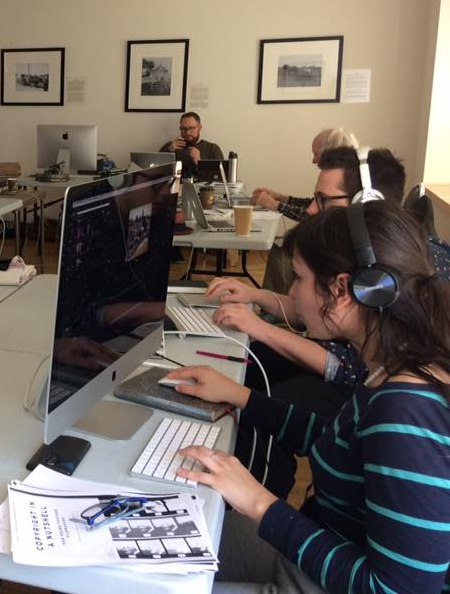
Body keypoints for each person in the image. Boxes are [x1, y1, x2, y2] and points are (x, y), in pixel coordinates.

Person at [166, 201, 450, 593]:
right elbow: (335, 439)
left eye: (298, 278)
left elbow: (401, 589)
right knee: (159, 545)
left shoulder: (406, 411)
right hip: (314, 555)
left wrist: (260, 503)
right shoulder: (390, 364)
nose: (291, 293)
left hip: (325, 582)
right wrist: (241, 396)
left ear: (342, 290)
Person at [251, 127, 358, 221]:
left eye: (316, 154)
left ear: (331, 152)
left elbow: (314, 217)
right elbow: (315, 204)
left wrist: (275, 205)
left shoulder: (348, 179)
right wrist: (281, 198)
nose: (314, 161)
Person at [159, 112, 223, 178]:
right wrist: (168, 150)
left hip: (202, 187)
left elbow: (220, 177)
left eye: (191, 128)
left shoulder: (212, 149)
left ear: (199, 128)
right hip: (175, 187)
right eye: (184, 129)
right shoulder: (171, 146)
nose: (188, 132)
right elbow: (155, 172)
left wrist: (199, 162)